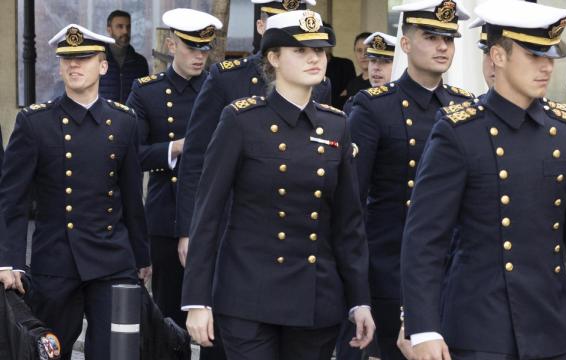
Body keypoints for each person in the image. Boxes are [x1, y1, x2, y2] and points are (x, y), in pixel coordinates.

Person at [401, 1, 566, 359]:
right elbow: (425, 240)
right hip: (479, 330)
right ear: (497, 55)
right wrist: (423, 328)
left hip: (552, 329)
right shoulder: (459, 132)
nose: (546, 67)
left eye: (550, 57)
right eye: (533, 56)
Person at [181, 10, 375, 359]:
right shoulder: (241, 120)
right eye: (300, 51)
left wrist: (359, 300)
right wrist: (197, 299)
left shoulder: (336, 126)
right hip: (248, 295)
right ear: (273, 57)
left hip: (315, 297)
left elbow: (349, 223)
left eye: (320, 50)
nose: (314, 58)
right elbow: (208, 211)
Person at [0, 24, 150, 360]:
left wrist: (142, 258)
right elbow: (12, 199)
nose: (74, 65)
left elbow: (130, 199)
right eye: (68, 59)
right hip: (55, 261)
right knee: (49, 352)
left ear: (103, 66)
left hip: (111, 260)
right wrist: (7, 261)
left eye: (84, 57)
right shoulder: (35, 123)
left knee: (116, 352)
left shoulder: (124, 122)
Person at [344, 1, 474, 359]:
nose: (442, 46)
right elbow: (351, 202)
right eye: (431, 37)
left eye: (448, 38)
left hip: (454, 274)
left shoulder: (466, 107)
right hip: (390, 271)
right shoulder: (373, 107)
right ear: (405, 43)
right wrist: (357, 291)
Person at [175, 0, 331, 267]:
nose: (289, 30)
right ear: (261, 26)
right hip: (234, 221)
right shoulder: (226, 78)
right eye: (279, 21)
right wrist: (189, 230)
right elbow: (196, 158)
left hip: (295, 224)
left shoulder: (319, 82)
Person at [126, 6, 222, 335]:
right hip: (167, 216)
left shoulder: (220, 88)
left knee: (219, 318)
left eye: (205, 48)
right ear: (171, 46)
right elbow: (132, 156)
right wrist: (177, 147)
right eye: (192, 47)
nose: (200, 56)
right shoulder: (147, 91)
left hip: (216, 213)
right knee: (169, 320)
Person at [100, 10, 149, 103]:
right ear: (109, 30)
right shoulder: (98, 59)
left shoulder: (140, 62)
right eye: (120, 26)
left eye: (128, 27)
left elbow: (144, 95)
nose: (125, 31)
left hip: (131, 116)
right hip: (103, 116)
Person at [343, 31, 397, 114]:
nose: (376, 67)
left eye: (384, 61)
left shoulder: (408, 101)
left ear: (397, 64)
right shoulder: (355, 104)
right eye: (373, 60)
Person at [324, 22, 357, 110]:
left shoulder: (345, 65)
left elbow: (349, 95)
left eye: (327, 38)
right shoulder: (306, 65)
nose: (323, 42)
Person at [345, 32, 373, 99]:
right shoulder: (352, 85)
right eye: (359, 50)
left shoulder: (381, 81)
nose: (363, 55)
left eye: (367, 50)